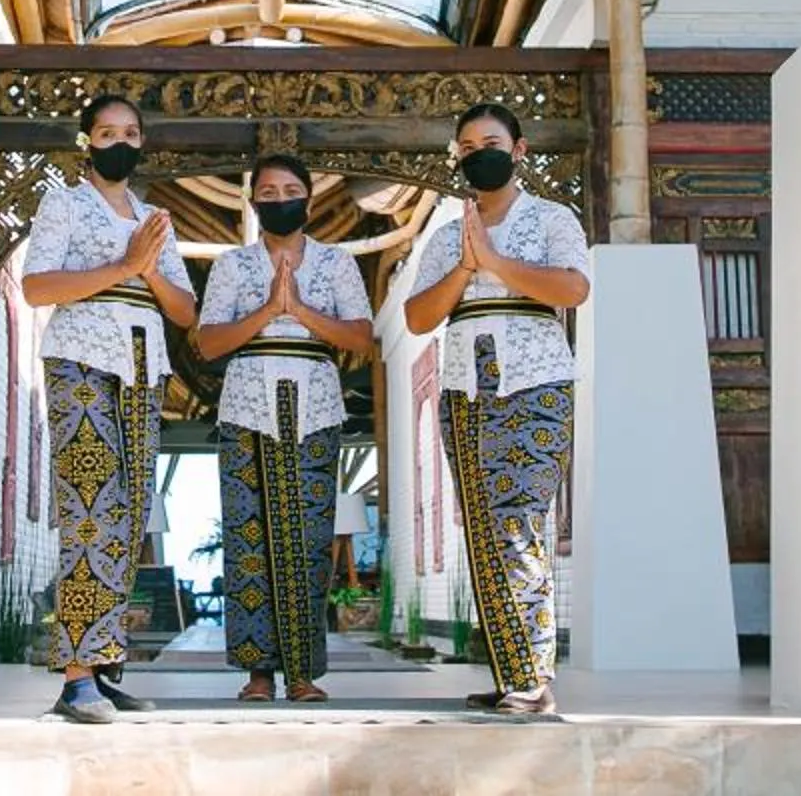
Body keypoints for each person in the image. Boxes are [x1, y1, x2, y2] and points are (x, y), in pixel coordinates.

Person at [401, 101, 593, 717]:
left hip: (533, 380)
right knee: (483, 531)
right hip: (464, 385)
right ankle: (512, 670)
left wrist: (497, 263)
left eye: (490, 141)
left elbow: (572, 288)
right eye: (466, 144)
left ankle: (533, 679)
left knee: (520, 520)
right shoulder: (443, 236)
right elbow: (418, 317)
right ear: (457, 157)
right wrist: (465, 263)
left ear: (518, 150)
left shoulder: (552, 217)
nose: (477, 151)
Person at [17, 93, 195, 724]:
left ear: (140, 142)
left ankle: (102, 663)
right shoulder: (62, 203)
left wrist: (146, 268)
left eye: (130, 131)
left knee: (126, 518)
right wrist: (124, 265)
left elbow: (184, 310)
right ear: (87, 140)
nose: (119, 139)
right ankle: (75, 678)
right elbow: (38, 287)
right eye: (106, 131)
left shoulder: (154, 218)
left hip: (144, 366)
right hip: (82, 361)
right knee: (89, 508)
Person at [191, 154, 373, 703]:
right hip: (247, 405)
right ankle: (258, 673)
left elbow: (360, 338)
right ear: (252, 201)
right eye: (267, 192)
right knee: (250, 542)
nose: (278, 199)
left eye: (290, 189)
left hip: (315, 405)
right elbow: (208, 343)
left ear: (309, 199)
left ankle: (301, 672)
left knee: (309, 541)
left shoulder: (338, 263)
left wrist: (302, 310)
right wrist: (270, 309)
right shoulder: (231, 266)